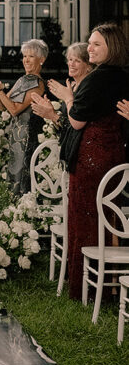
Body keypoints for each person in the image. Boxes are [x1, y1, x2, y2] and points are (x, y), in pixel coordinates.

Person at [47, 23, 129, 300]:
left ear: (111, 48)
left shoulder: (96, 79)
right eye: (90, 43)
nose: (89, 48)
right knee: (108, 217)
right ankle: (111, 282)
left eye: (96, 44)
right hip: (114, 154)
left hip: (91, 158)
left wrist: (68, 98)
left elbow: (75, 121)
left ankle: (86, 287)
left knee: (85, 218)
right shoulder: (123, 77)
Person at [0, 39, 47, 196]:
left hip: (27, 137)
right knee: (13, 177)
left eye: (31, 56)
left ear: (41, 60)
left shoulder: (38, 84)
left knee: (23, 178)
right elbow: (2, 106)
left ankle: (24, 208)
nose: (26, 60)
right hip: (15, 137)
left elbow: (14, 109)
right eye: (24, 56)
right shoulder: (22, 80)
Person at [30, 42, 92, 157]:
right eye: (70, 59)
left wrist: (53, 115)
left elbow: (78, 129)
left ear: (88, 66)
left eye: (77, 61)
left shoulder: (87, 89)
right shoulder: (72, 86)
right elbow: (65, 126)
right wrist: (50, 112)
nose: (71, 64)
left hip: (83, 151)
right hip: (68, 148)